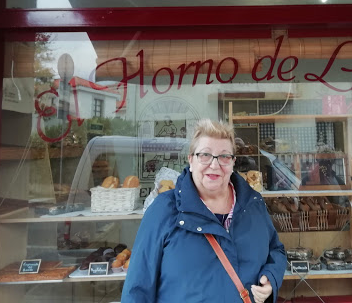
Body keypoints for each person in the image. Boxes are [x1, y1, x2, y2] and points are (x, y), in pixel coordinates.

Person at [121, 119, 287, 302]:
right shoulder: (164, 210)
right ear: (191, 160)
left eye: (224, 156)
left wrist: (271, 277)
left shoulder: (253, 205)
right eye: (205, 155)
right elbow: (137, 289)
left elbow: (276, 250)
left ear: (233, 162)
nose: (214, 165)